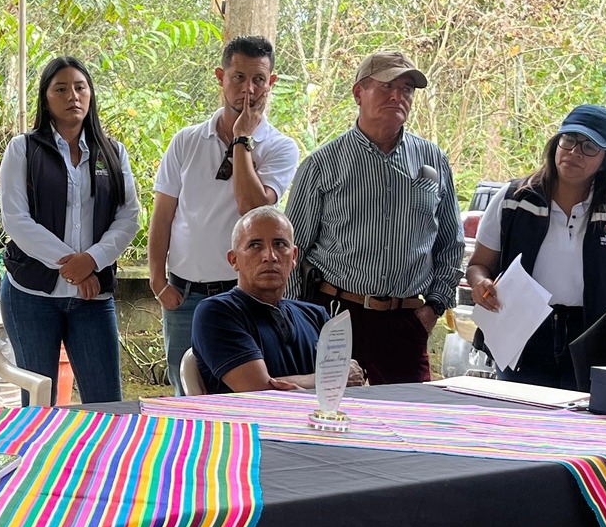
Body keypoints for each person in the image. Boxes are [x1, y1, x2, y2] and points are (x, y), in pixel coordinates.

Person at [286, 50, 462, 384]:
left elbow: (451, 244)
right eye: (386, 86)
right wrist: (301, 319)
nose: (398, 96)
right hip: (336, 315)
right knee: (332, 409)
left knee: (409, 414)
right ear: (358, 93)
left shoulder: (433, 160)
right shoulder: (323, 164)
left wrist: (433, 308)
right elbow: (292, 250)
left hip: (406, 321)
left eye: (407, 89)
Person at [466, 104, 606, 389]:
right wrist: (481, 284)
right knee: (523, 410)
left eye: (589, 147)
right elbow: (478, 265)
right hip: (521, 333)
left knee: (584, 414)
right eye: (569, 140)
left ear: (605, 160)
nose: (574, 152)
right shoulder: (514, 200)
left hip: (593, 336)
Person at [148, 35, 300, 392]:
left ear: (271, 82)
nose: (249, 89)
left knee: (244, 392)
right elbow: (163, 214)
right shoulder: (187, 140)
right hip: (184, 294)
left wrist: (242, 139)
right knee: (186, 391)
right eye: (238, 77)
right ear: (221, 77)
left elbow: (253, 208)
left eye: (259, 79)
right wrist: (157, 281)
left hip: (244, 297)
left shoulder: (280, 147)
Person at [0, 55, 140, 404]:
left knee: (108, 404)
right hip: (30, 295)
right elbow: (16, 219)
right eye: (60, 89)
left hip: (93, 298)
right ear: (45, 99)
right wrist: (73, 266)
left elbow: (128, 216)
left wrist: (92, 261)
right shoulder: (23, 149)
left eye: (80, 87)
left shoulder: (113, 153)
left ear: (90, 94)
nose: (72, 96)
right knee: (39, 403)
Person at [191, 206, 364, 394]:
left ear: (294, 256)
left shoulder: (316, 315)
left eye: (280, 244)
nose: (270, 256)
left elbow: (353, 382)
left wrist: (323, 381)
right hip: (250, 415)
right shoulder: (216, 312)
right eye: (255, 245)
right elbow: (258, 391)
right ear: (234, 260)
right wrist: (332, 379)